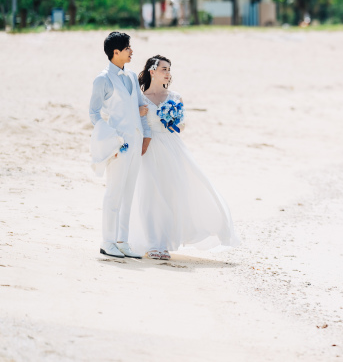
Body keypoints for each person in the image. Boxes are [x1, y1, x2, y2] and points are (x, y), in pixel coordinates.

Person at [129, 55, 240, 260]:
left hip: (171, 148)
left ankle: (165, 242)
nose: (168, 73)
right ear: (152, 71)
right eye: (164, 69)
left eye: (169, 69)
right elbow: (132, 124)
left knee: (172, 194)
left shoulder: (175, 97)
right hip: (149, 148)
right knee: (150, 195)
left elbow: (182, 126)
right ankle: (154, 244)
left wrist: (170, 118)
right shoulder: (140, 98)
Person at [89, 32, 152, 259]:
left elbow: (140, 108)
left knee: (128, 193)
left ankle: (122, 241)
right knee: (114, 193)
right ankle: (107, 241)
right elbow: (94, 113)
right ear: (116, 52)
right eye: (127, 48)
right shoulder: (103, 79)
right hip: (118, 144)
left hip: (135, 143)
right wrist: (110, 139)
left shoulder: (132, 76)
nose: (131, 51)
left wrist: (145, 136)